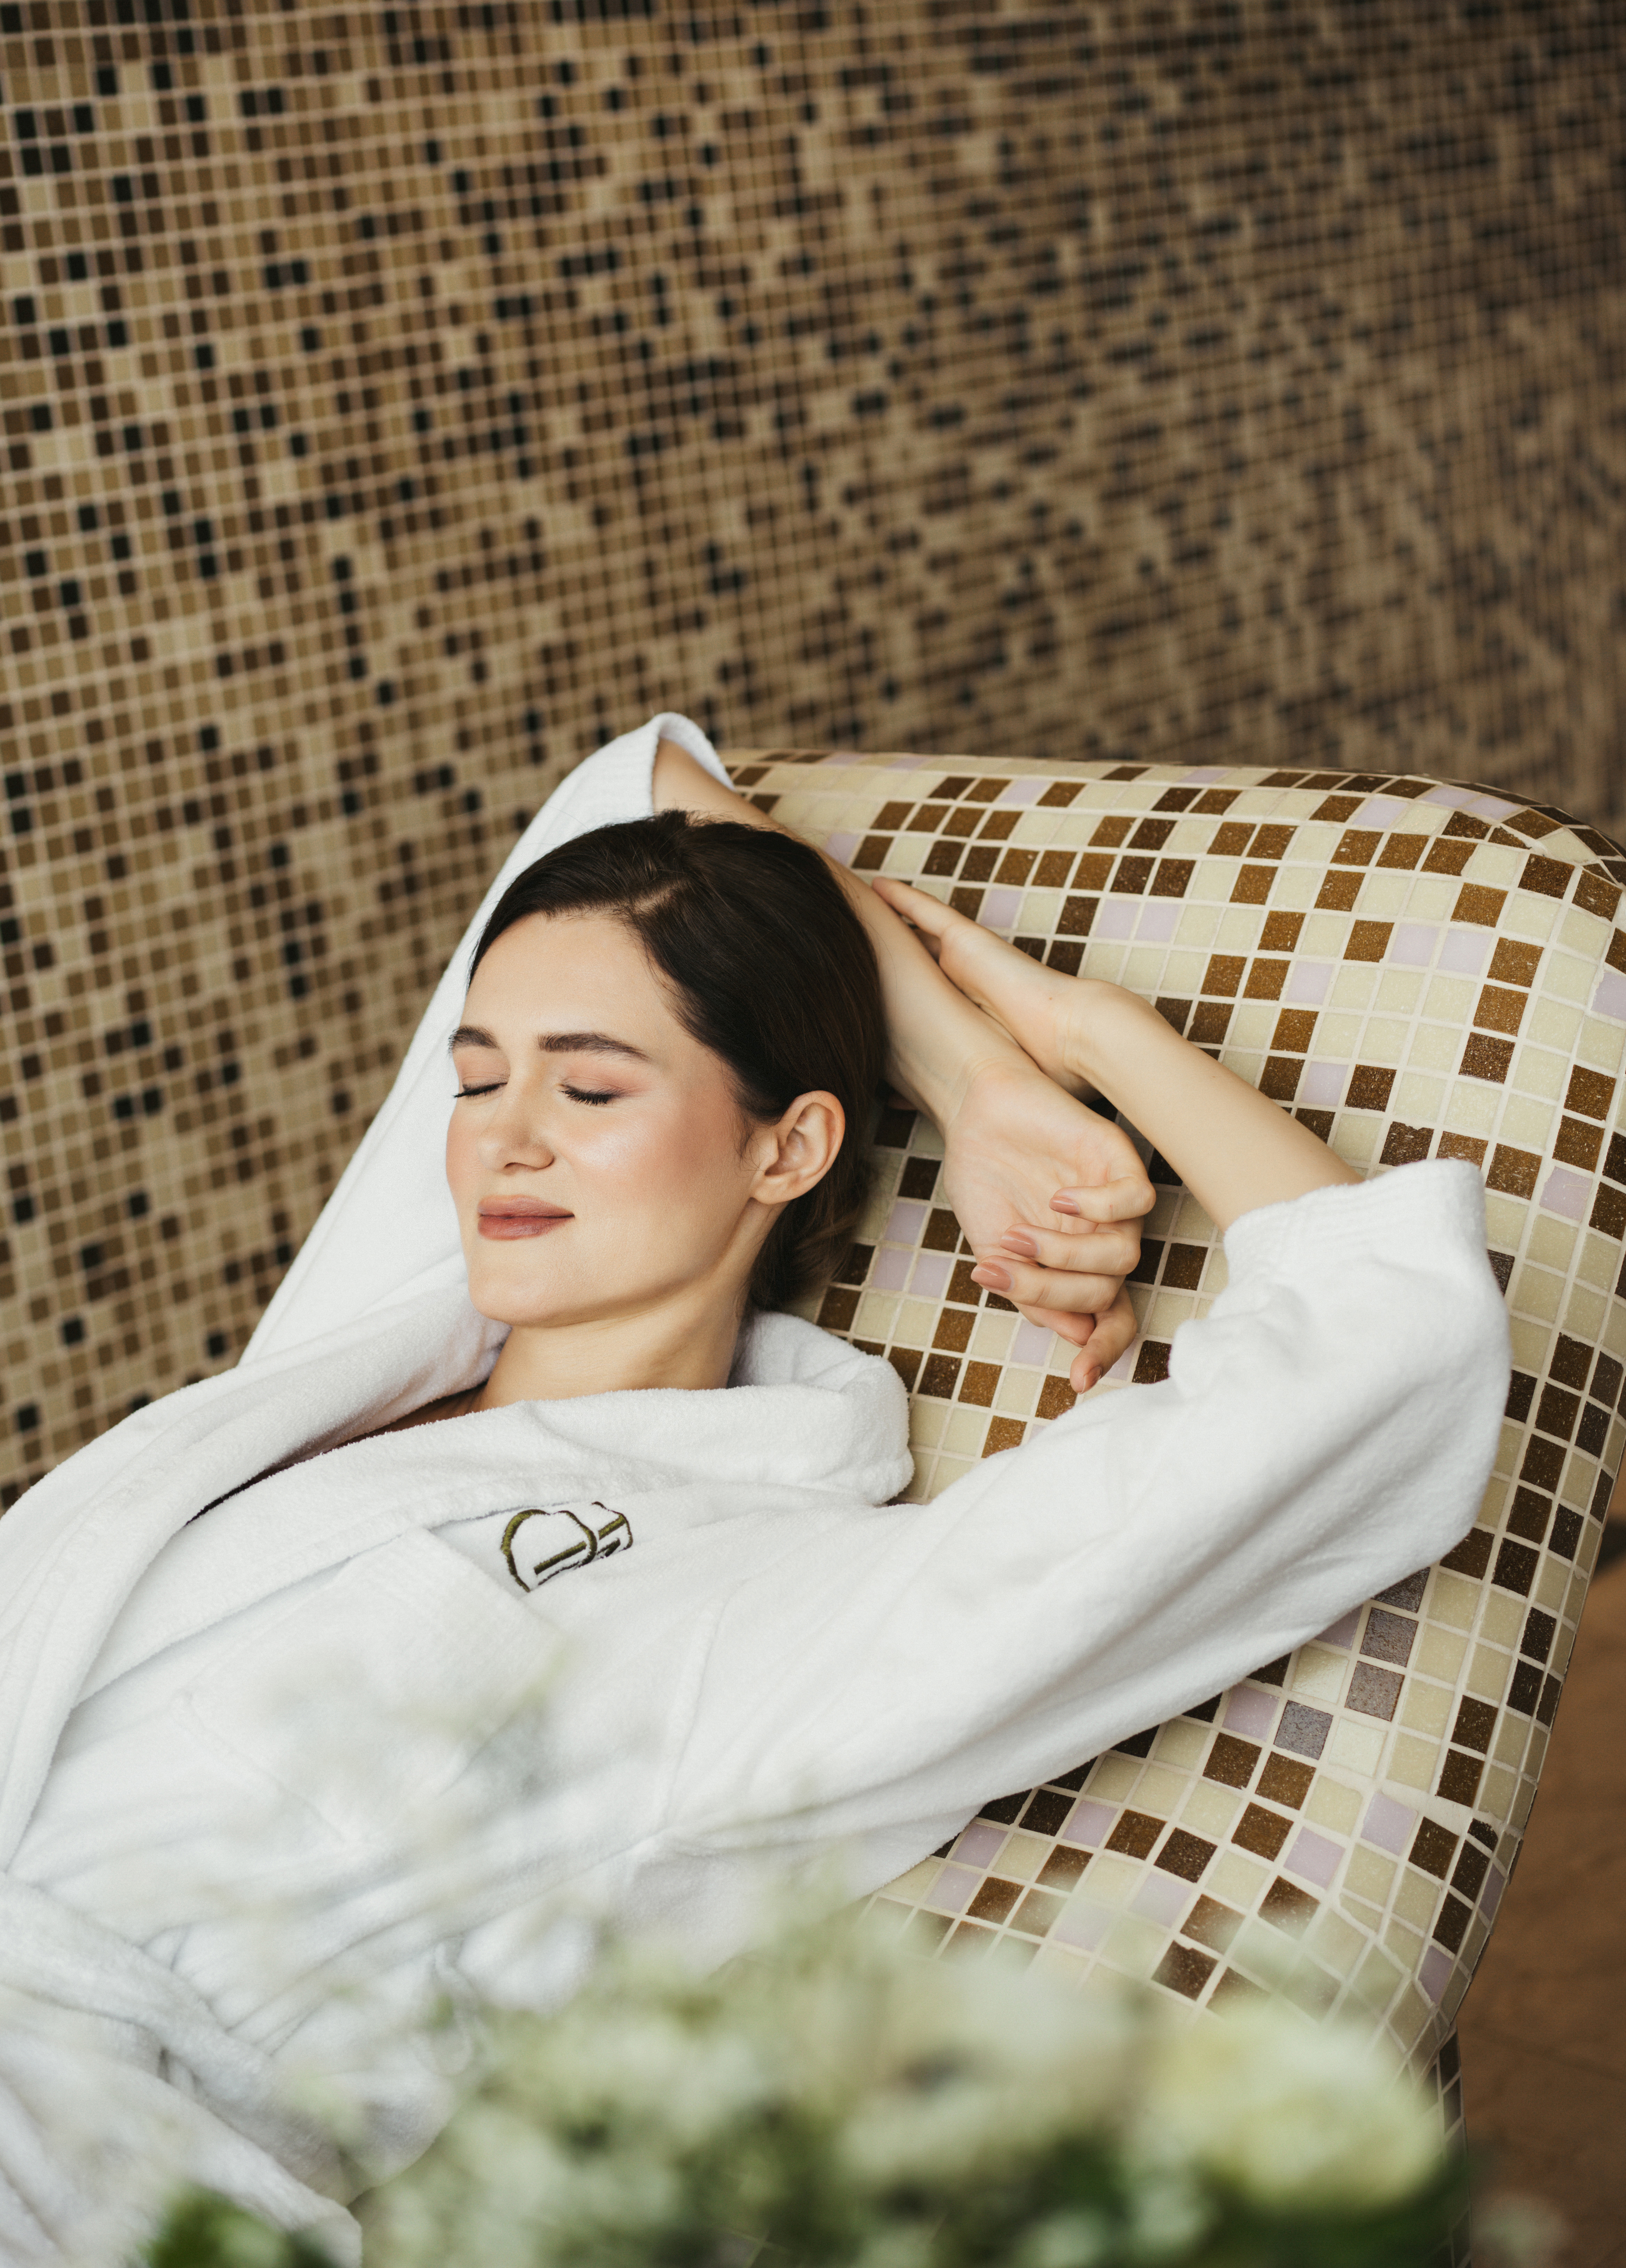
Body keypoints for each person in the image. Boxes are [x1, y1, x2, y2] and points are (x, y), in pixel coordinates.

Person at [0, 717, 1508, 2267]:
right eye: (475, 1078)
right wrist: (969, 1072)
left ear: (787, 1148)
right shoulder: (379, 1347)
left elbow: (1381, 1353)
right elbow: (628, 785)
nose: (502, 1137)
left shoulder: (775, 1595)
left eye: (591, 1092)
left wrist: (1091, 1041)